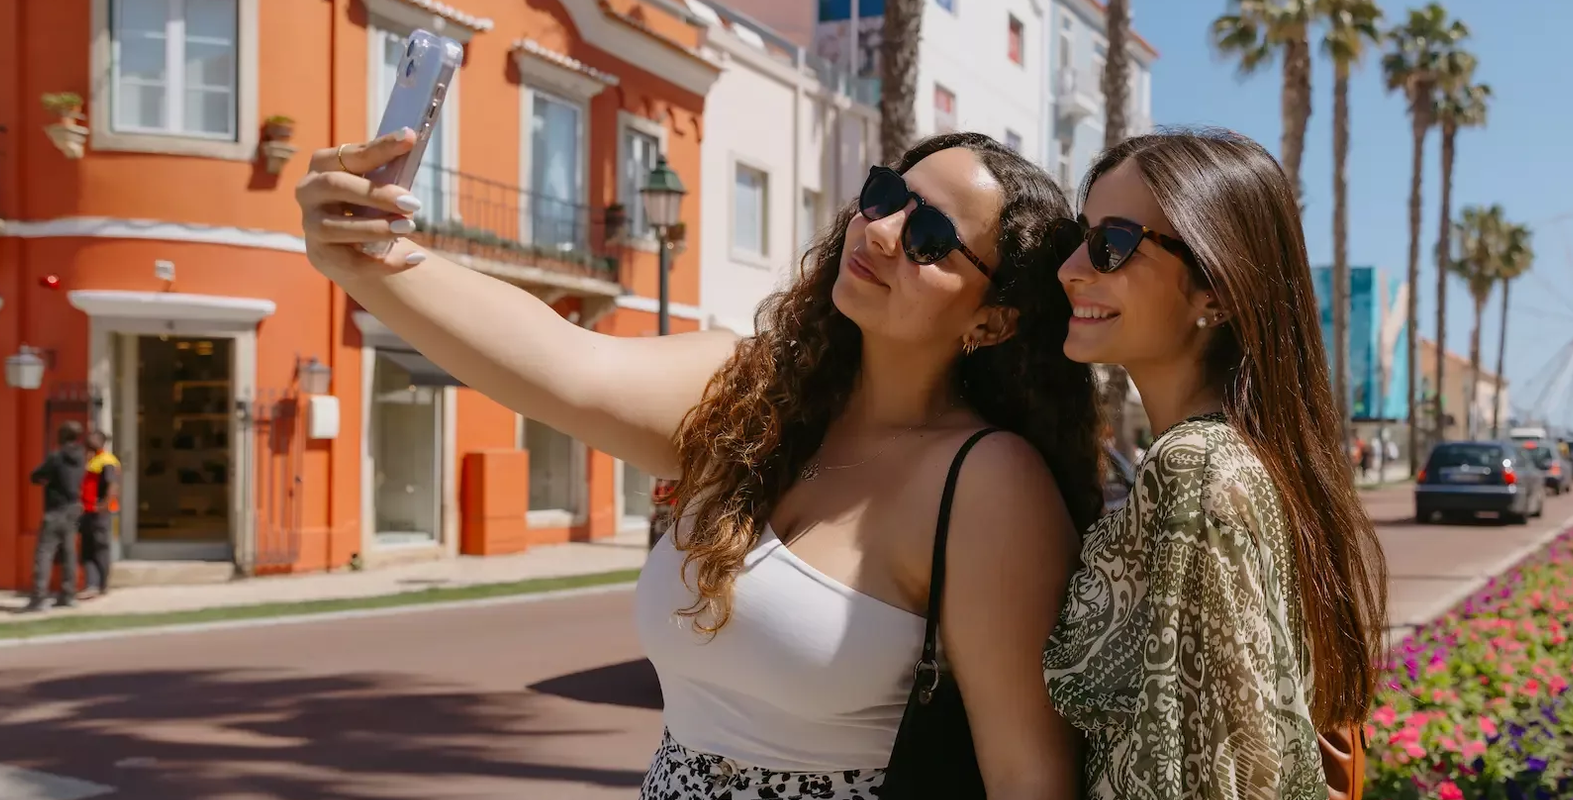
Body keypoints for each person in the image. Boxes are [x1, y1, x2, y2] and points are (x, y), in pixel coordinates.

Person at [296, 129, 1099, 798]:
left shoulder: (988, 482)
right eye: (887, 196)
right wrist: (370, 254)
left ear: (993, 322)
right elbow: (563, 364)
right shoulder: (748, 398)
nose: (883, 231)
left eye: (930, 239)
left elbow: (1028, 776)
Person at [1043, 129, 1389, 799]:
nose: (1071, 269)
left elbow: (1225, 773)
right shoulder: (1250, 459)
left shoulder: (1195, 470)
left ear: (1217, 291)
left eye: (1111, 244)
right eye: (1077, 240)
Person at [27, 421, 88, 612]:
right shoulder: (82, 458)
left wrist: (46, 480)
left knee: (44, 553)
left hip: (55, 510)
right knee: (69, 553)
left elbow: (35, 475)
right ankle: (68, 595)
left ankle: (39, 598)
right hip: (73, 508)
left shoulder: (57, 456)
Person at [78, 429, 121, 598]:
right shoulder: (92, 460)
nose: (90, 440)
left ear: (102, 441)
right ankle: (91, 585)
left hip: (100, 513)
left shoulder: (106, 460)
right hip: (87, 511)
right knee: (87, 550)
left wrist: (103, 505)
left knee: (100, 548)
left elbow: (113, 485)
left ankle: (101, 584)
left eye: (94, 438)